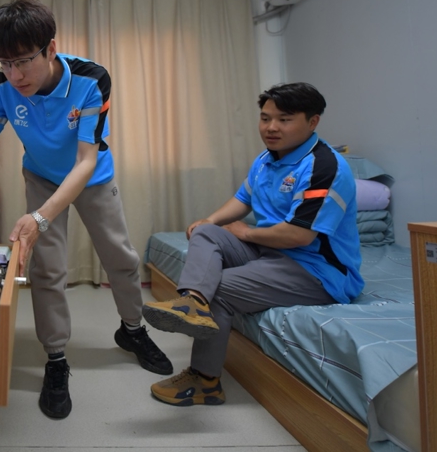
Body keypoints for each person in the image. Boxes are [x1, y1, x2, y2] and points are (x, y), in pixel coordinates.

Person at [0, 0, 172, 420]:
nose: (15, 75)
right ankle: (56, 358)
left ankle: (132, 330)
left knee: (121, 258)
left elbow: (85, 160)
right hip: (41, 177)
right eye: (5, 63)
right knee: (46, 269)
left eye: (24, 61)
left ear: (51, 48)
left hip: (91, 177)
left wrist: (40, 217)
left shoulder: (91, 79)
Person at [142, 82, 363, 407]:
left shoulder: (324, 167)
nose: (271, 127)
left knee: (220, 287)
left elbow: (300, 236)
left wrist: (246, 234)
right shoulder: (267, 159)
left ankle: (205, 382)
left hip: (315, 270)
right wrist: (210, 220)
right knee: (206, 233)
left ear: (312, 122)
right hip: (269, 251)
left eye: (284, 119)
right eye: (265, 118)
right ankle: (192, 302)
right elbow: (243, 198)